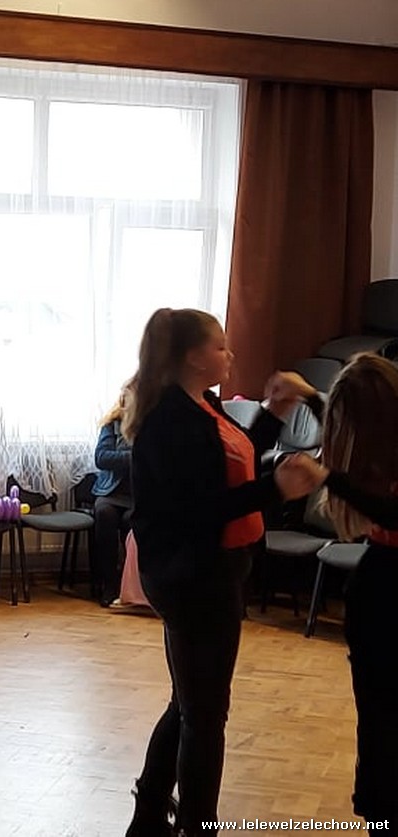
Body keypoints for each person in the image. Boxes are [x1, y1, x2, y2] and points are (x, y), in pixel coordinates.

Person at [122, 309, 318, 836]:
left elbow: (237, 461)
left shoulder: (201, 405)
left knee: (190, 703)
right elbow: (202, 508)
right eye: (220, 347)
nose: (229, 355)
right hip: (193, 577)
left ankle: (149, 814)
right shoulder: (171, 420)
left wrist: (274, 412)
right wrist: (277, 488)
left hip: (210, 570)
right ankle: (196, 825)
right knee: (206, 714)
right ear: (192, 357)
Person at [278, 354, 398, 835]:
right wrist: (309, 396)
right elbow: (357, 418)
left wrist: (329, 477)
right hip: (380, 584)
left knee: (381, 718)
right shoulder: (387, 429)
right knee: (378, 718)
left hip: (386, 589)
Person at [94, 378, 136, 607]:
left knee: (133, 521)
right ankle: (109, 584)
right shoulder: (111, 424)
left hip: (138, 495)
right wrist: (134, 457)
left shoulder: (152, 425)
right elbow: (102, 458)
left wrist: (125, 458)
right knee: (104, 514)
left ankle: (130, 588)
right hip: (110, 492)